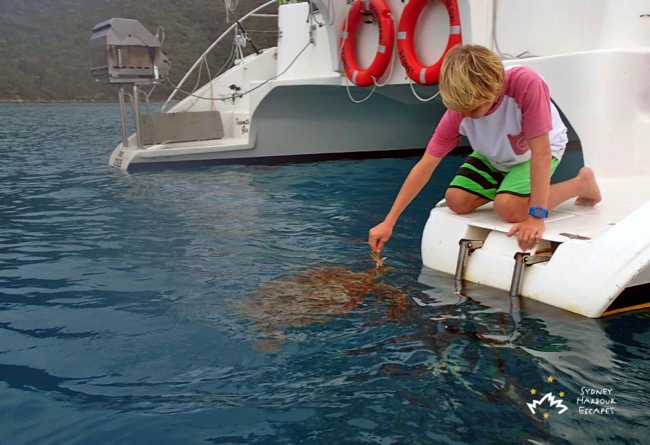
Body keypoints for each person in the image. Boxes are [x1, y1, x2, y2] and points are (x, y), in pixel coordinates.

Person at [368, 44, 601, 253]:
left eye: (472, 109)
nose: (465, 115)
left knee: (509, 208)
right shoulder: (459, 111)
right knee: (456, 201)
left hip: (534, 151)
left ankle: (581, 183)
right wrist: (389, 221)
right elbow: (425, 166)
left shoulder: (525, 84)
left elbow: (541, 153)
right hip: (494, 153)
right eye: (461, 109)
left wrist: (536, 216)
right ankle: (509, 187)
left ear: (493, 90)